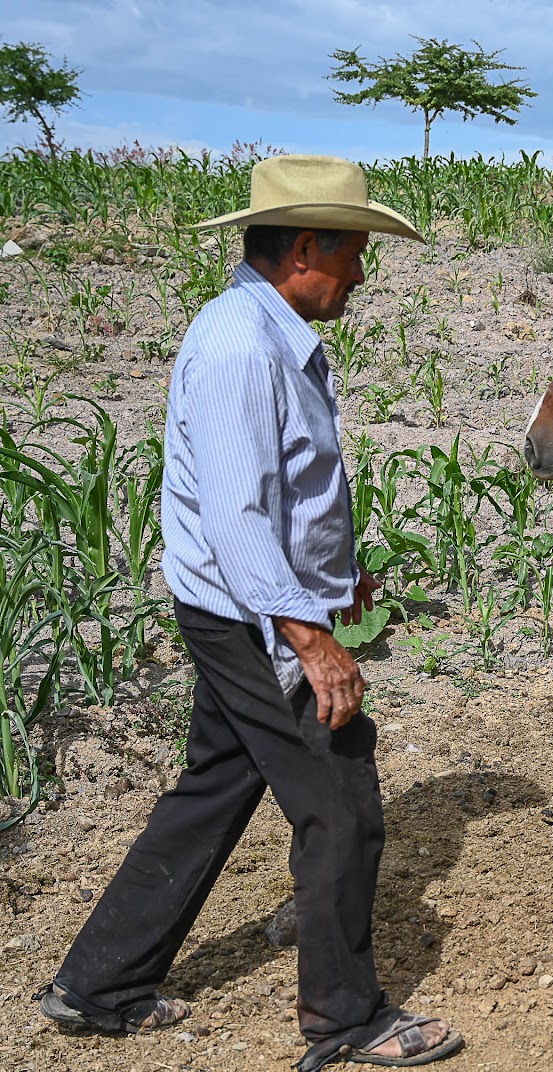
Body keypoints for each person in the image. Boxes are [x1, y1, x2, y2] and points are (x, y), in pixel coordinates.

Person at [36, 155, 463, 1070]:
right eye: (352, 252)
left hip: (251, 604)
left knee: (216, 787)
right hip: (249, 620)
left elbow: (283, 493)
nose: (361, 272)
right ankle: (346, 1020)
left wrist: (338, 577)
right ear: (303, 247)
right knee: (341, 802)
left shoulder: (271, 335)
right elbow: (236, 518)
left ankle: (97, 984)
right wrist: (312, 639)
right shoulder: (240, 347)